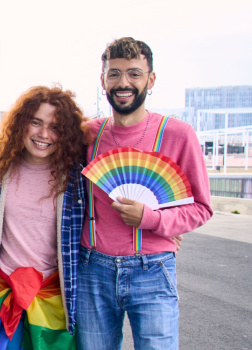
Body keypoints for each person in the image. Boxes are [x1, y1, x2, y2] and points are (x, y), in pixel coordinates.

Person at [76, 37, 212, 349]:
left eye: (134, 74)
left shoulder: (179, 134)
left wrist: (153, 220)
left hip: (153, 268)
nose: (123, 83)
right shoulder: (88, 134)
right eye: (114, 74)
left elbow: (201, 208)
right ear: (103, 81)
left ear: (151, 80)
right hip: (91, 269)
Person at [0, 86, 89, 349]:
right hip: (2, 291)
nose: (43, 134)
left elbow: (104, 217)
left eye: (55, 127)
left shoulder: (76, 179)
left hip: (52, 295)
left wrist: (157, 227)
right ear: (21, 124)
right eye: (36, 122)